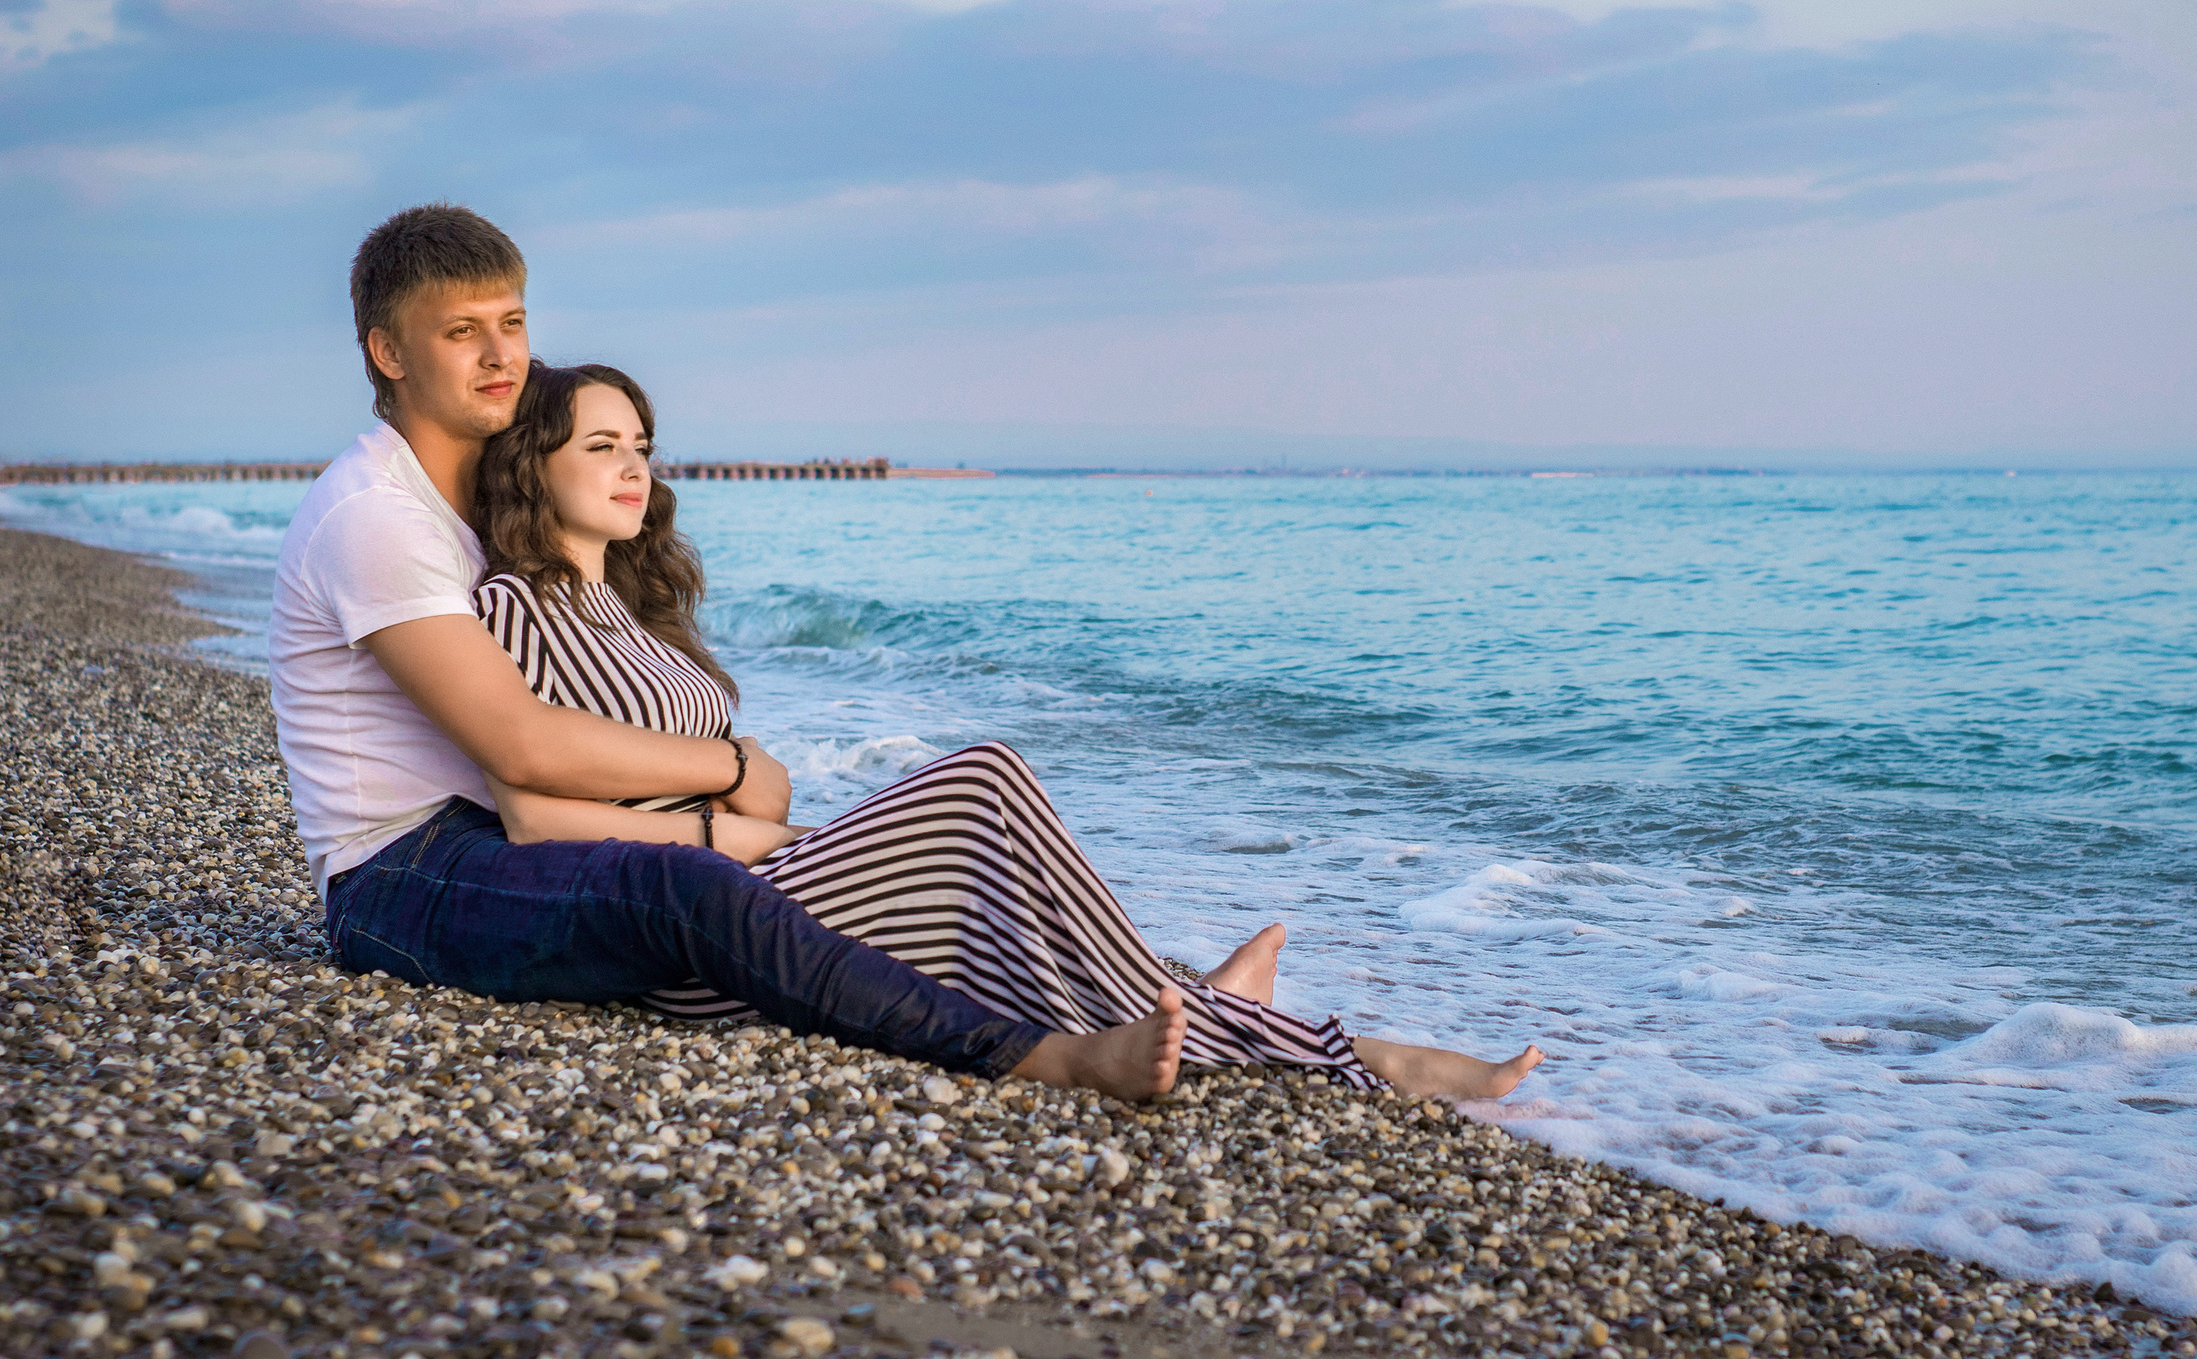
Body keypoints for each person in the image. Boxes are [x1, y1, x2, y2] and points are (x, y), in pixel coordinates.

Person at [272, 205, 1183, 1099]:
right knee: (689, 886)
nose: (500, 355)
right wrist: (730, 766)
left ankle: (1187, 1008)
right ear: (388, 353)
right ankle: (1039, 1058)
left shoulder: (482, 503)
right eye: (461, 332)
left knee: (906, 838)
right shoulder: (377, 517)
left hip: (501, 833)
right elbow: (521, 744)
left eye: (511, 323)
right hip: (400, 873)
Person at [466, 359, 1547, 1099]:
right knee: (981, 783)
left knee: (1013, 916)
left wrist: (750, 793)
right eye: (600, 443)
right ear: (535, 463)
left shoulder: (640, 611)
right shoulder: (517, 605)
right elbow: (533, 817)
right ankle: (1351, 1052)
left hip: (762, 882)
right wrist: (733, 828)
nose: (631, 465)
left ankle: (1217, 1016)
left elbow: (754, 787)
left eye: (641, 444)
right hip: (696, 939)